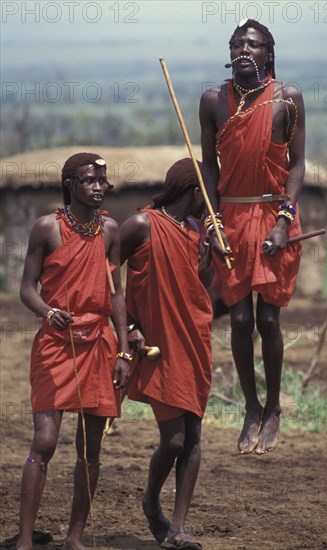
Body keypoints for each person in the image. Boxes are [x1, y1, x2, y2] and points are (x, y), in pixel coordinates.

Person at [199, 19, 305, 455]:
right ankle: (251, 407)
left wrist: (284, 221)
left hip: (275, 214)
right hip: (233, 217)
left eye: (254, 44)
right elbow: (209, 167)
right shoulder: (212, 100)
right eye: (238, 43)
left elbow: (297, 166)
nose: (245, 48)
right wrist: (211, 220)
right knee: (239, 321)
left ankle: (275, 407)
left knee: (267, 320)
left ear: (268, 53)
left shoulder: (288, 99)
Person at [17, 152, 131, 550]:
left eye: (102, 180)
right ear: (71, 184)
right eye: (89, 181)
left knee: (91, 447)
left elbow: (116, 295)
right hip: (55, 345)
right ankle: (26, 541)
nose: (98, 187)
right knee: (45, 442)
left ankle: (74, 538)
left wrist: (124, 350)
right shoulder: (46, 228)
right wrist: (48, 312)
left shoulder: (111, 231)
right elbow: (27, 287)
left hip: (99, 344)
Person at [119, 158, 213, 550]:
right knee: (173, 440)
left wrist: (209, 252)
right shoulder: (142, 225)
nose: (210, 204)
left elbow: (198, 287)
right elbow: (106, 272)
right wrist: (127, 328)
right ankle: (151, 500)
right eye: (206, 195)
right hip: (158, 345)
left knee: (193, 436)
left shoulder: (194, 231)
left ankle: (177, 528)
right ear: (194, 191)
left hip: (193, 341)